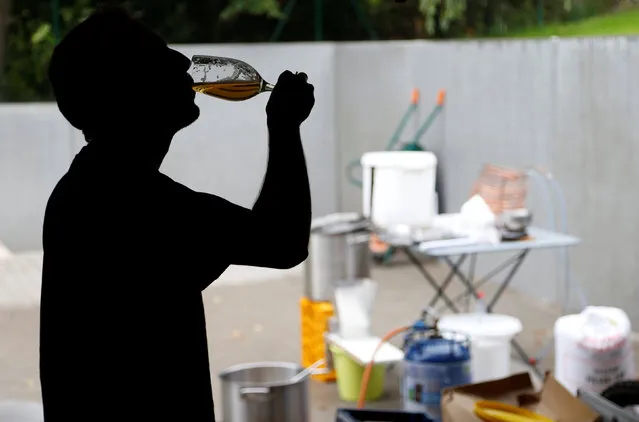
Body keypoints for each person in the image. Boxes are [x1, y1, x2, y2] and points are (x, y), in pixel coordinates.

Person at [40, 5, 314, 422]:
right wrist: (284, 126)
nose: (183, 62)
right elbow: (282, 241)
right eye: (160, 56)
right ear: (127, 91)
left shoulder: (84, 191)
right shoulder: (133, 203)